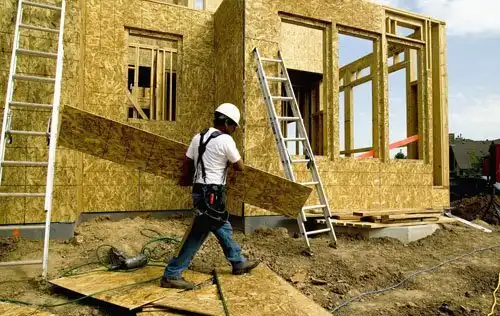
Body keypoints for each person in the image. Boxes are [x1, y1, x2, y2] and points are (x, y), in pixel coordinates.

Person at [160, 103, 259, 290]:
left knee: (213, 228)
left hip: (200, 191)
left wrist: (188, 180)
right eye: (234, 126)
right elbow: (240, 166)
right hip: (212, 193)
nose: (235, 130)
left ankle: (236, 261)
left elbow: (187, 162)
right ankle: (172, 274)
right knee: (211, 228)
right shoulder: (226, 141)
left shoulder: (198, 137)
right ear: (227, 123)